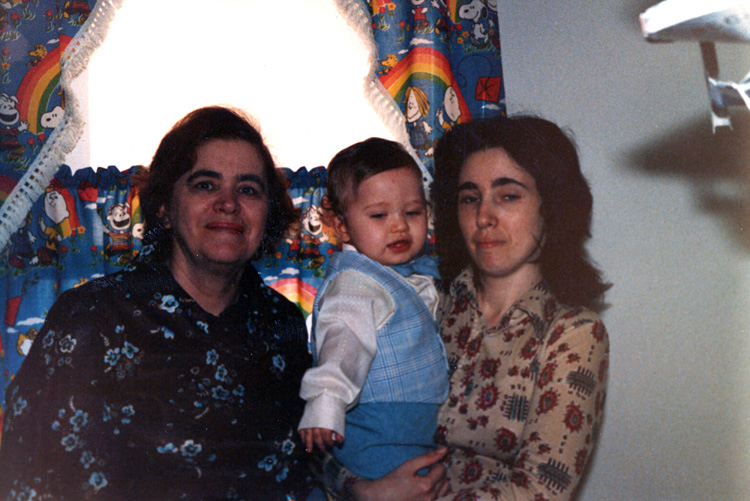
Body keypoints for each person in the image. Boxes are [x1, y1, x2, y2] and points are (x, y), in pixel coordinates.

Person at [0, 106, 314, 499]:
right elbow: (25, 474)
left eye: (248, 189)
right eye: (205, 184)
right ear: (165, 208)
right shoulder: (91, 317)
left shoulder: (281, 322)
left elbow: (310, 463)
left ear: (267, 216)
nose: (229, 203)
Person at [326, 115, 611, 500]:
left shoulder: (571, 334)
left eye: (508, 195)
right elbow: (329, 436)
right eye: (469, 198)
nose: (483, 217)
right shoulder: (423, 304)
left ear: (552, 208)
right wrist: (363, 490)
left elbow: (543, 490)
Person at [298, 138, 449, 480]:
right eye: (379, 215)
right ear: (340, 224)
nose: (398, 225)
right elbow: (343, 344)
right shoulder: (355, 285)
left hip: (413, 433)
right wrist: (326, 402)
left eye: (412, 212)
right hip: (376, 431)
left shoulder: (412, 272)